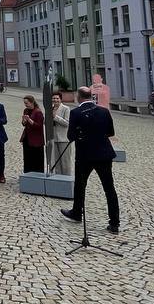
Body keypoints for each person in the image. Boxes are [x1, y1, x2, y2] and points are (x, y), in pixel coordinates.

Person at [61, 87, 121, 234]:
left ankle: (76, 212)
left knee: (80, 185)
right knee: (109, 188)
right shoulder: (104, 111)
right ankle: (114, 222)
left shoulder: (75, 113)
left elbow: (71, 136)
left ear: (79, 97)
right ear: (90, 96)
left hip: (85, 155)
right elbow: (110, 132)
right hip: (104, 154)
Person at [20, 96, 45, 173]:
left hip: (36, 140)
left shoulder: (38, 112)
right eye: (25, 103)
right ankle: (28, 174)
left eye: (27, 103)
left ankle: (37, 175)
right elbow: (24, 124)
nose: (26, 105)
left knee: (36, 159)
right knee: (27, 158)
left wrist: (29, 120)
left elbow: (39, 126)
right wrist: (24, 121)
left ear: (32, 102)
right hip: (27, 138)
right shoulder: (26, 110)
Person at [48, 93, 71, 173]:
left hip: (63, 138)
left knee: (65, 161)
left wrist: (55, 117)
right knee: (56, 161)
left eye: (57, 98)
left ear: (60, 99)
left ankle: (67, 178)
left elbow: (67, 123)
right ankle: (58, 177)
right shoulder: (50, 108)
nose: (55, 100)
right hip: (53, 138)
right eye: (53, 98)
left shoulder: (66, 108)